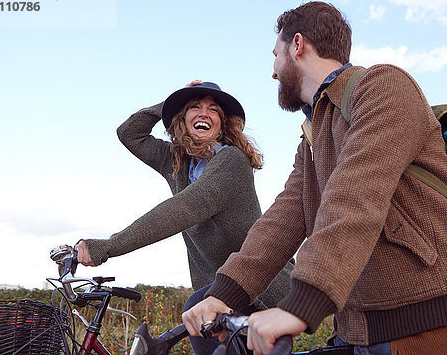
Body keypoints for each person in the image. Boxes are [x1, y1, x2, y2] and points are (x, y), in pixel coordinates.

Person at [182, 2, 447, 355]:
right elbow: (282, 220)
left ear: (297, 45)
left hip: (428, 322)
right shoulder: (312, 133)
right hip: (360, 327)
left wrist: (299, 306)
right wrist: (224, 293)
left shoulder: (383, 86)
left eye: (275, 55)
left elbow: (356, 198)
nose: (273, 72)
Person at [75, 81, 292, 355]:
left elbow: (183, 208)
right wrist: (170, 102)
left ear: (223, 125)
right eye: (194, 108)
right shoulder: (177, 162)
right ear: (182, 119)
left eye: (213, 110)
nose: (204, 113)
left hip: (261, 287)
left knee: (194, 309)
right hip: (220, 295)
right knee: (200, 316)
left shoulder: (231, 161)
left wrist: (108, 246)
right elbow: (129, 133)